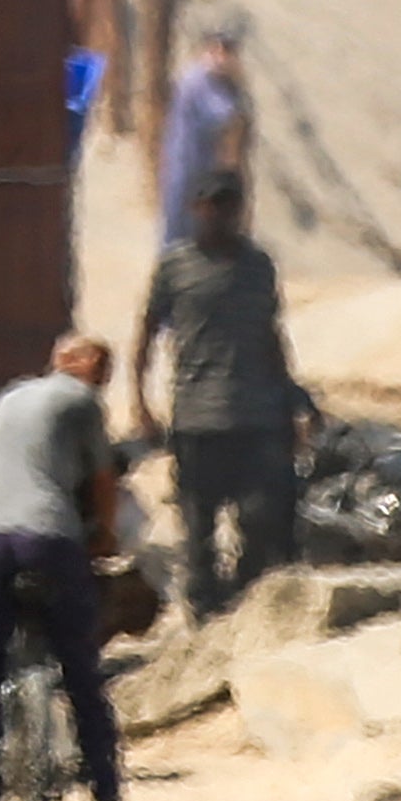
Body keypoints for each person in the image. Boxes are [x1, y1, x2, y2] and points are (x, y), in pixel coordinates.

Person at [0, 335, 130, 801]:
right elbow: (102, 478)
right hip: (50, 542)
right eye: (101, 363)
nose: (105, 375)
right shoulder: (80, 400)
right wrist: (106, 535)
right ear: (74, 365)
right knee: (81, 674)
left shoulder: (6, 400)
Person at [136, 169, 306, 617]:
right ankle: (204, 614)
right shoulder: (175, 266)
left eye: (229, 204)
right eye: (212, 203)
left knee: (262, 519)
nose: (221, 213)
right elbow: (146, 333)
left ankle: (245, 604)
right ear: (196, 208)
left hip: (258, 415)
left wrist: (292, 401)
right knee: (198, 528)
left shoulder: (257, 265)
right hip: (197, 417)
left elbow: (271, 337)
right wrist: (140, 403)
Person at [158, 25, 255, 249]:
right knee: (183, 231)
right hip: (189, 168)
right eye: (218, 51)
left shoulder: (221, 83)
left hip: (202, 168)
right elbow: (227, 118)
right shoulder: (197, 80)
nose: (222, 59)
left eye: (228, 53)